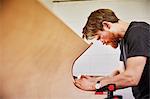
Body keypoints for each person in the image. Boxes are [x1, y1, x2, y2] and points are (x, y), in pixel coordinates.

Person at [75, 9, 150, 99]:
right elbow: (120, 73)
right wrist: (93, 80)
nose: (102, 42)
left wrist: (94, 85)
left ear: (106, 25)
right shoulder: (124, 41)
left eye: (100, 37)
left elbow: (131, 77)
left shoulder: (138, 33)